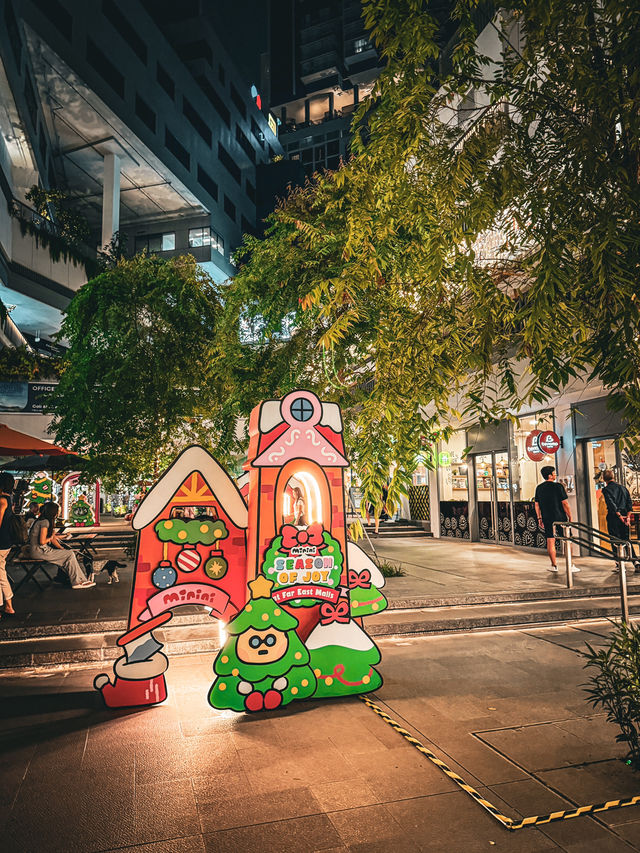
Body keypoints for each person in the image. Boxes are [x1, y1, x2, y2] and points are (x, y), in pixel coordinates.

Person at [29, 501, 95, 589]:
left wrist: (61, 548)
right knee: (70, 554)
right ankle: (77, 581)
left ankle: (79, 580)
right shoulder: (45, 522)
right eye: (57, 511)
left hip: (38, 551)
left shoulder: (41, 520)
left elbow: (52, 539)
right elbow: (42, 541)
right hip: (40, 551)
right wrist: (52, 536)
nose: (58, 513)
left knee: (68, 554)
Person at [534, 466, 579, 573]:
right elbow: (565, 504)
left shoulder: (539, 488)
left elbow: (537, 504)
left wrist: (539, 517)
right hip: (560, 517)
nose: (555, 475)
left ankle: (554, 565)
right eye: (554, 473)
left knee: (550, 540)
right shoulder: (558, 486)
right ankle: (570, 565)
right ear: (549, 475)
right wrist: (570, 516)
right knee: (567, 540)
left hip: (547, 517)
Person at [601, 469, 639, 571]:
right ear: (613, 477)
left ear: (603, 478)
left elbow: (611, 503)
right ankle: (636, 562)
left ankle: (620, 564)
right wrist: (627, 517)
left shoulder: (606, 489)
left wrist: (619, 515)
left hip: (614, 517)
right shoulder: (623, 488)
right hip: (625, 517)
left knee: (615, 540)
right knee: (626, 539)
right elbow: (629, 502)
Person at [0, 472, 16, 618]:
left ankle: (8, 605)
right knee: (1, 573)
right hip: (6, 542)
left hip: (1, 542)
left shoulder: (2, 501)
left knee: (1, 574)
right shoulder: (9, 499)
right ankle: (8, 605)